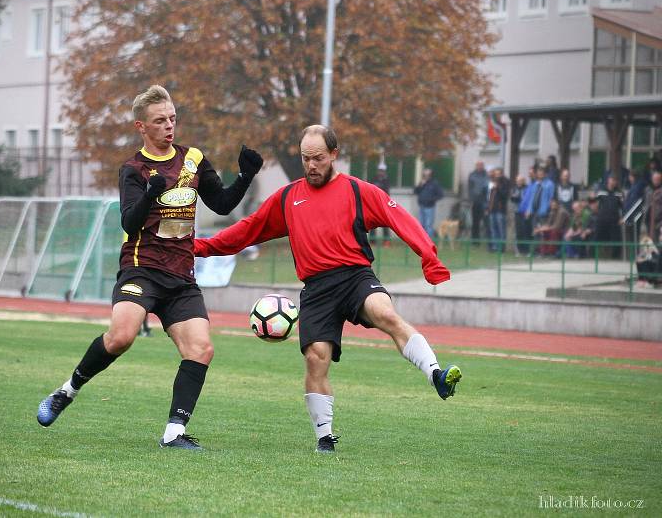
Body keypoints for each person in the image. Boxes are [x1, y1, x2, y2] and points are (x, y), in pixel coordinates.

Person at [194, 125, 460, 453]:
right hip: (317, 289)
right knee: (316, 358)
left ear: (334, 154)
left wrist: (428, 256)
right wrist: (200, 247)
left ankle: (435, 373)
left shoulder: (360, 191)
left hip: (355, 277)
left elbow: (401, 220)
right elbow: (246, 230)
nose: (312, 165)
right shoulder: (289, 197)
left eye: (318, 158)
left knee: (384, 313)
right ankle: (324, 438)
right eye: (306, 159)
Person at [36, 85, 264, 450]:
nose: (169, 126)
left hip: (181, 276)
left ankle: (174, 433)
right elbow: (129, 222)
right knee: (121, 337)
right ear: (142, 126)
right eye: (160, 121)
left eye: (173, 118)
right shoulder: (134, 169)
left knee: (201, 349)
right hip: (141, 269)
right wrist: (149, 194)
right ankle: (68, 390)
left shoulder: (192, 159)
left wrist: (246, 176)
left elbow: (221, 205)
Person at [595, 176, 624, 259]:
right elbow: (595, 203)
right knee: (598, 237)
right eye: (612, 180)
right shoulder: (601, 191)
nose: (613, 182)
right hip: (602, 219)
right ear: (608, 180)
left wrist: (622, 218)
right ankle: (597, 256)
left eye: (614, 180)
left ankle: (615, 257)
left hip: (614, 220)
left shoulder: (619, 193)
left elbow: (623, 207)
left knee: (616, 238)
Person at [414, 168, 443, 239]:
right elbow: (415, 191)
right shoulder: (422, 183)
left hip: (430, 207)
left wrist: (431, 200)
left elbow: (440, 195)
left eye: (427, 175)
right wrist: (420, 185)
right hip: (421, 206)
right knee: (421, 225)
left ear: (430, 175)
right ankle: (422, 241)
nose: (426, 176)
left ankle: (429, 242)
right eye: (424, 175)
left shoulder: (434, 183)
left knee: (428, 225)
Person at [486, 167, 509, 252]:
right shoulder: (493, 182)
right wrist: (488, 207)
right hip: (492, 209)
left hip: (500, 209)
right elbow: (490, 196)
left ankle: (501, 247)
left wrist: (498, 187)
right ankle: (495, 246)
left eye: (498, 174)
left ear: (502, 174)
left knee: (501, 228)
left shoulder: (505, 182)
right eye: (495, 174)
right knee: (493, 228)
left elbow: (505, 195)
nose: (497, 176)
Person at [468, 161, 489, 245]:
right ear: (476, 166)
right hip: (475, 201)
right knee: (475, 222)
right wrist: (471, 199)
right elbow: (470, 188)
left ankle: (488, 241)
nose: (480, 167)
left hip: (484, 201)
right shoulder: (472, 175)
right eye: (478, 165)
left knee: (486, 221)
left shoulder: (486, 175)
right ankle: (475, 241)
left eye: (481, 165)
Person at [370, 162, 391, 245]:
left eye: (382, 170)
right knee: (372, 222)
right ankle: (372, 241)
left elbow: (387, 193)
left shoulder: (386, 180)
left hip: (383, 204)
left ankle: (386, 241)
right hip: (374, 204)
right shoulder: (374, 179)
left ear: (384, 171)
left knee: (385, 223)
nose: (381, 172)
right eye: (379, 170)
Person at [511, 175, 531, 256]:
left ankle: (526, 250)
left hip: (525, 212)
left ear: (523, 181)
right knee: (519, 231)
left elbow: (527, 199)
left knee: (525, 231)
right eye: (517, 181)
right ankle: (519, 250)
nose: (518, 182)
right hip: (517, 212)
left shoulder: (527, 188)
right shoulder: (514, 188)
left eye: (520, 181)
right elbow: (513, 198)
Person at [646, 171, 662, 245]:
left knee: (658, 239)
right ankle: (652, 254)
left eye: (658, 179)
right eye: (654, 179)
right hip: (649, 218)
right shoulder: (648, 189)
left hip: (659, 219)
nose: (656, 181)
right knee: (650, 239)